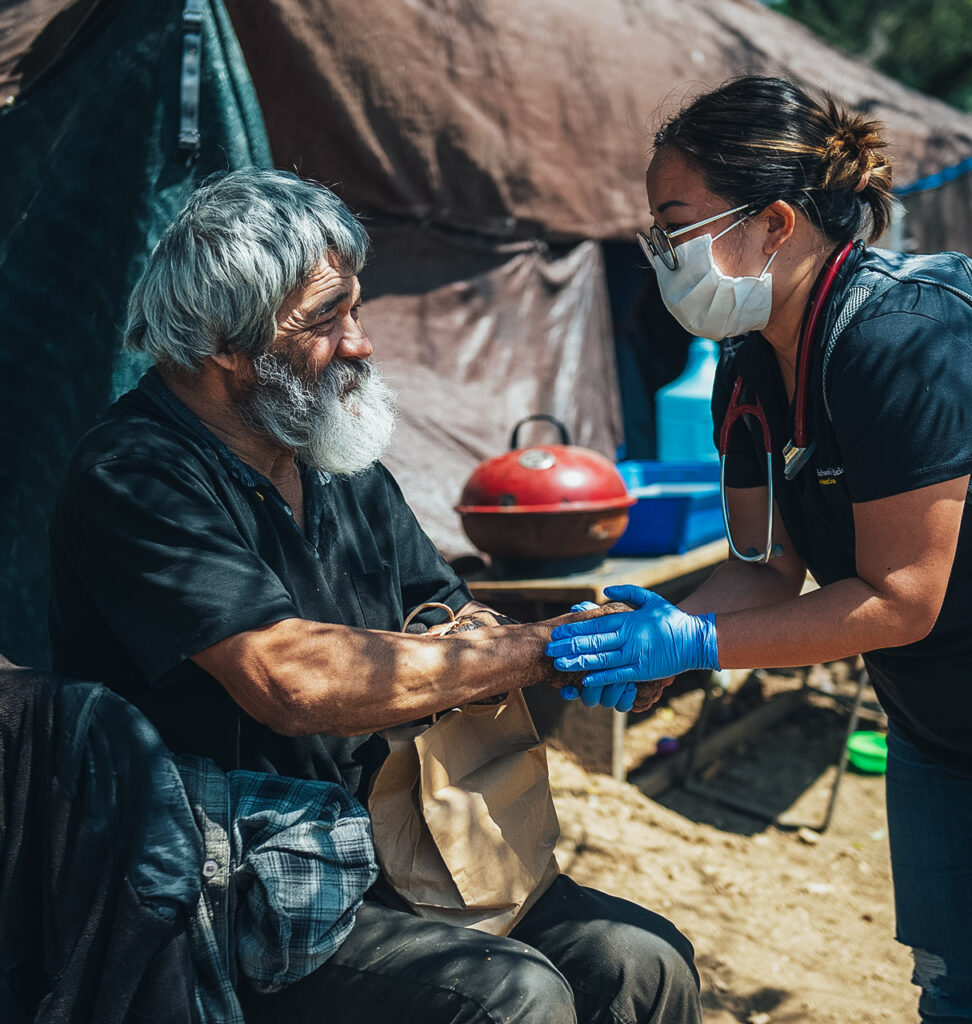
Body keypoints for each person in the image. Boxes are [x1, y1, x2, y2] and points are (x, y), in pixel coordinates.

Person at [48, 167, 701, 1024]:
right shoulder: (134, 475)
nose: (357, 342)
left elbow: (449, 614)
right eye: (325, 319)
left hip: (404, 841)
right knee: (517, 1001)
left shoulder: (332, 457)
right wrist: (542, 649)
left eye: (355, 308)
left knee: (642, 964)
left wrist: (587, 650)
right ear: (222, 344)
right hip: (238, 883)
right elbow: (292, 681)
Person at [547, 76, 972, 1023]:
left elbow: (899, 599)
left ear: (772, 222)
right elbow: (766, 566)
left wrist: (695, 646)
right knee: (957, 992)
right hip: (937, 728)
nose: (659, 252)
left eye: (673, 222)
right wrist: (669, 632)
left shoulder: (904, 342)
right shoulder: (750, 364)